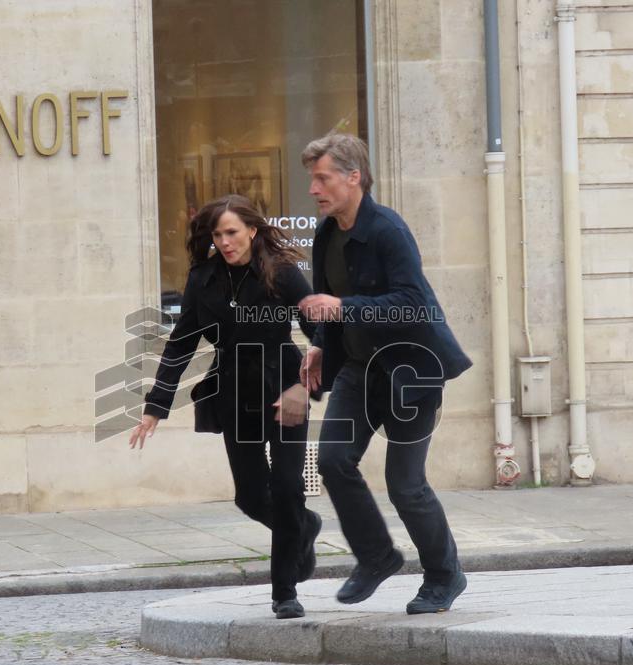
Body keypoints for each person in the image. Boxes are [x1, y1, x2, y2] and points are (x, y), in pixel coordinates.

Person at [297, 133, 473, 615]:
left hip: (410, 373)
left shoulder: (388, 230)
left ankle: (444, 576)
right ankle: (376, 556)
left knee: (405, 485)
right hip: (358, 371)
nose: (313, 188)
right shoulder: (327, 234)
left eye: (322, 178)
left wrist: (343, 307)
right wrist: (317, 346)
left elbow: (414, 303)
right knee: (332, 460)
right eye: (312, 179)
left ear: (354, 178)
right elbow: (328, 306)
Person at [130, 194, 321, 619]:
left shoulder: (283, 273)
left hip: (284, 387)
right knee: (252, 497)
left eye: (232, 232)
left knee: (289, 490)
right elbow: (180, 344)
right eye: (218, 234)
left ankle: (284, 592)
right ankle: (304, 529)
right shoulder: (204, 278)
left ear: (252, 230)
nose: (225, 241)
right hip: (235, 391)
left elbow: (320, 332)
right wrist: (155, 406)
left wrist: (303, 387)